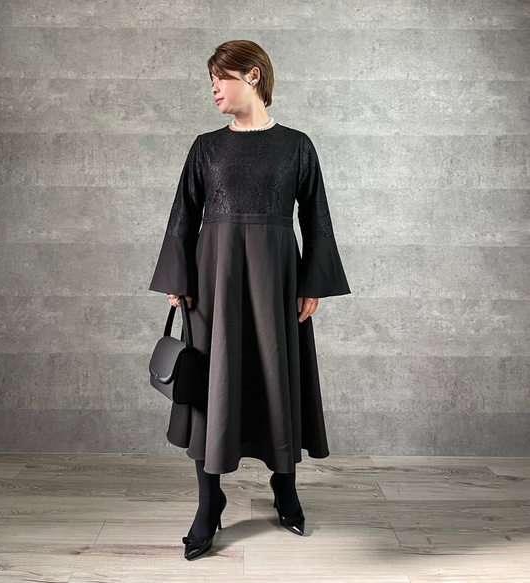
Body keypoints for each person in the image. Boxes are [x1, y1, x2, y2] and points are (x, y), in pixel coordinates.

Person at [148, 40, 351, 560]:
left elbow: (317, 217)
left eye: (221, 77)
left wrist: (312, 284)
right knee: (210, 384)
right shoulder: (205, 148)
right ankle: (208, 503)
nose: (213, 88)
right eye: (210, 80)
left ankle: (285, 487)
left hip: (276, 281)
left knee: (277, 375)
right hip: (211, 284)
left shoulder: (297, 147)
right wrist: (177, 275)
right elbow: (182, 214)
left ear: (253, 76)